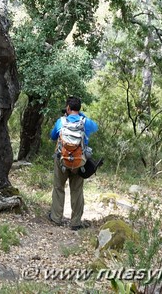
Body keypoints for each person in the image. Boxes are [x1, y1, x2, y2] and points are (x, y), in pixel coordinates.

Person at [49, 96, 98, 231]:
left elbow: (52, 136)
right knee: (76, 190)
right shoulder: (85, 122)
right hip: (79, 161)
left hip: (62, 160)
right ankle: (75, 222)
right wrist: (81, 115)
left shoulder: (61, 121)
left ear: (68, 108)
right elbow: (96, 127)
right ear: (79, 108)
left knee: (59, 187)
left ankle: (56, 217)